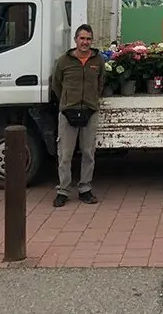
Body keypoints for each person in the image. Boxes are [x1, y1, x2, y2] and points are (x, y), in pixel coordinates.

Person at [51, 24, 105, 208]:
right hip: (68, 112)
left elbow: (101, 83)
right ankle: (63, 190)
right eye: (82, 38)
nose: (85, 42)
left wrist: (91, 100)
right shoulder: (63, 61)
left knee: (89, 153)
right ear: (75, 40)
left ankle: (85, 189)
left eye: (88, 39)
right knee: (65, 154)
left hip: (90, 111)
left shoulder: (98, 61)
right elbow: (56, 84)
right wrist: (67, 102)